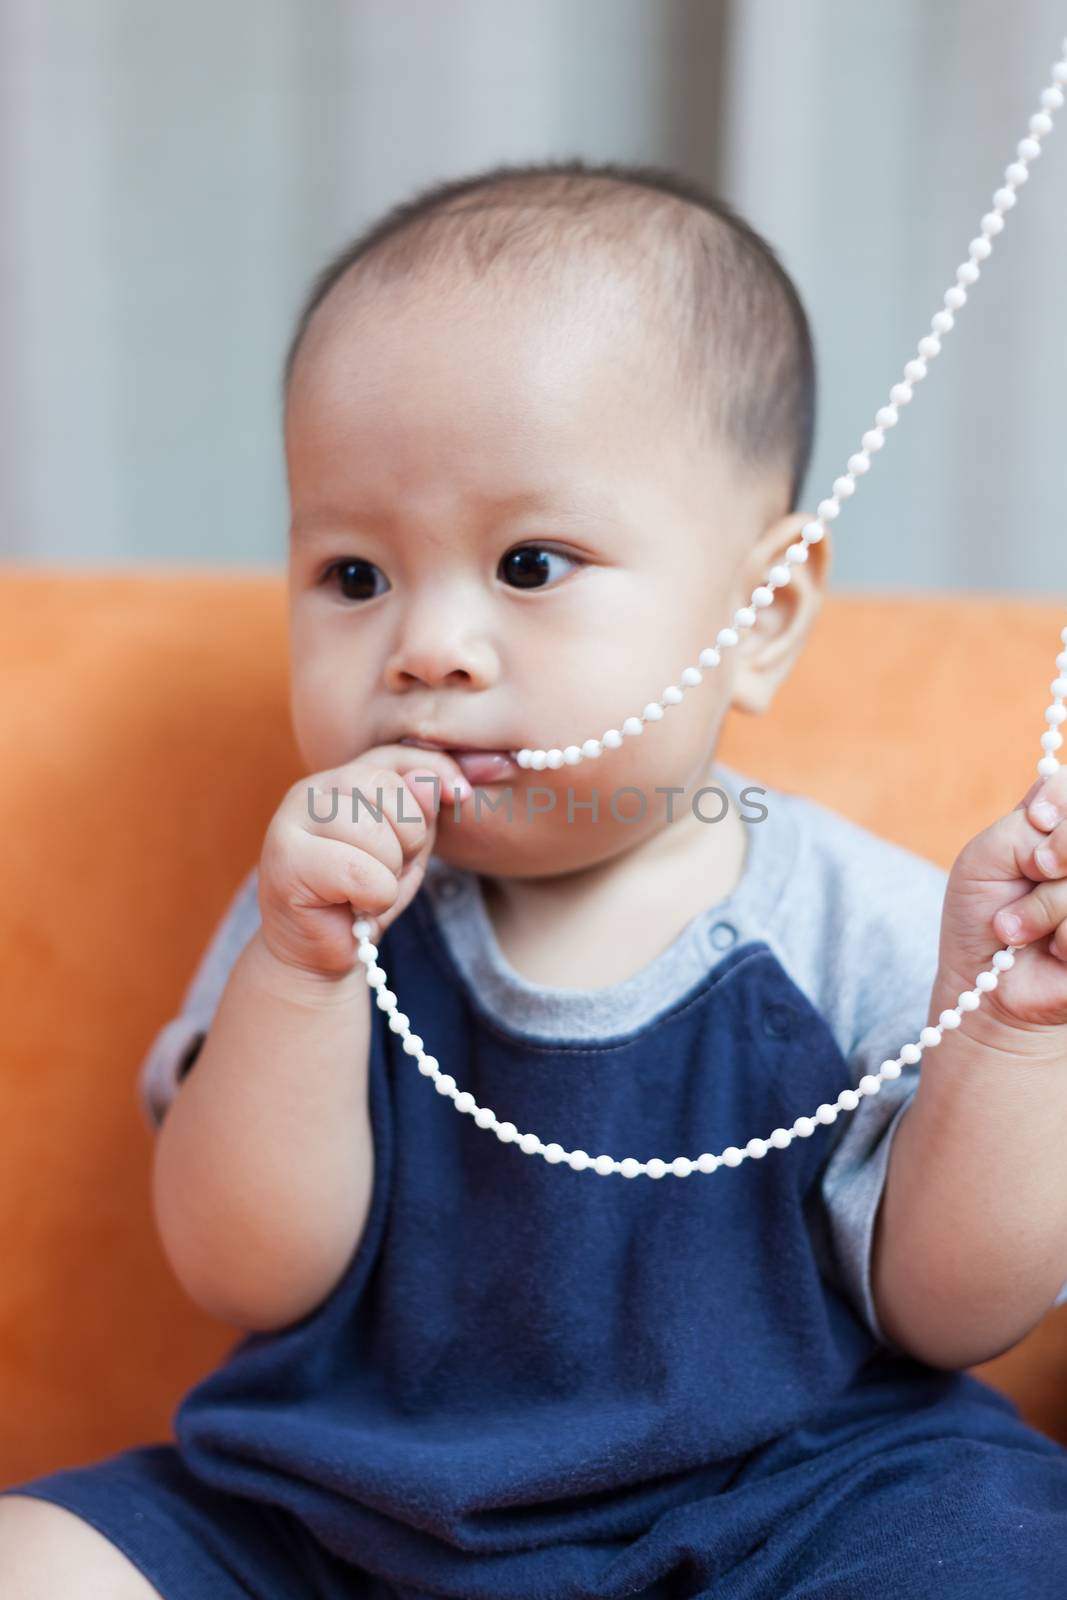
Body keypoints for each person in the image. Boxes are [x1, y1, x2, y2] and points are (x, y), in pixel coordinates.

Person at [3, 158, 1067, 1600]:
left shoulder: (854, 921)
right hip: (342, 1508)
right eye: (355, 575)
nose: (426, 646)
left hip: (785, 1510)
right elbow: (247, 1274)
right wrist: (300, 976)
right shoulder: (321, 907)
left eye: (529, 561)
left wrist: (1006, 1031)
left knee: (988, 1547)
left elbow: (954, 1313)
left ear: (764, 616)